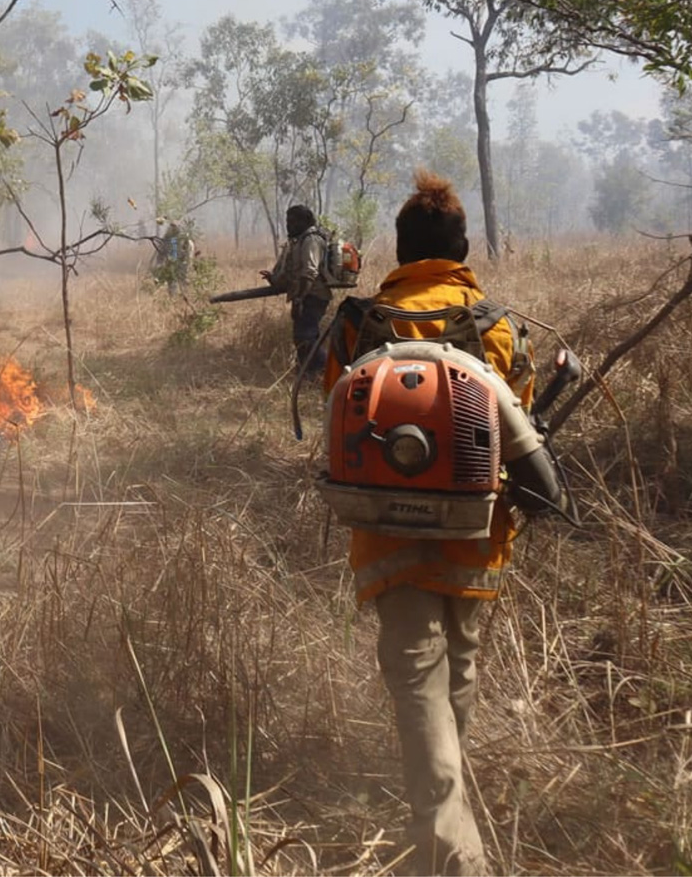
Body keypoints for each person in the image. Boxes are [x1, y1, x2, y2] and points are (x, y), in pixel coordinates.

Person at [320, 171, 534, 876]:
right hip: (475, 533)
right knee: (458, 674)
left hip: (386, 534)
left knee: (417, 680)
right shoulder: (497, 324)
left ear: (402, 250)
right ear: (461, 250)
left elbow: (335, 407)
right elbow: (519, 421)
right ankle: (447, 824)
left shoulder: (361, 321)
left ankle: (450, 855)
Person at [262, 204, 330, 368]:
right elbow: (292, 272)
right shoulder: (297, 242)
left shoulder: (311, 240)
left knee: (306, 337)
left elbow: (309, 273)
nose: (288, 225)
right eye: (287, 221)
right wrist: (274, 279)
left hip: (313, 296)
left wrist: (300, 298)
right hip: (303, 296)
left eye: (292, 221)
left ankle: (327, 370)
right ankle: (306, 374)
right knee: (301, 338)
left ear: (304, 222)